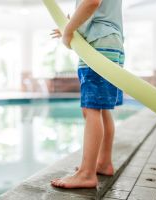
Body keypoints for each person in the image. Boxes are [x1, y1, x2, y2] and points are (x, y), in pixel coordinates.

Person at [50, 0, 124, 189]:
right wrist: (73, 24)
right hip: (111, 43)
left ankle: (86, 173)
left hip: (98, 44)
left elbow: (92, 2)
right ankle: (103, 162)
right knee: (102, 108)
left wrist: (68, 31)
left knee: (91, 109)